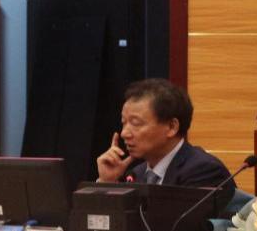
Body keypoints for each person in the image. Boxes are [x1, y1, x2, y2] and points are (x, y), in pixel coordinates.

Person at [95, 78, 233, 190]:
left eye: (136, 123)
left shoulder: (203, 171)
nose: (124, 133)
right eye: (124, 123)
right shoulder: (137, 174)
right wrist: (107, 182)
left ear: (172, 127)